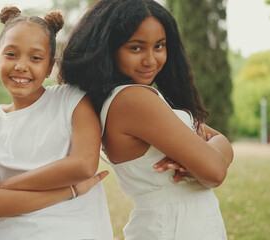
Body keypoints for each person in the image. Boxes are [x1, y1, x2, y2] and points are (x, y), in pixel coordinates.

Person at [61, 0, 234, 239]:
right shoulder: (133, 100)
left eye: (159, 46)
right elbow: (215, 171)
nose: (151, 60)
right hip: (173, 226)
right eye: (136, 48)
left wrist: (213, 149)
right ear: (109, 49)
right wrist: (210, 153)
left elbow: (219, 144)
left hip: (181, 223)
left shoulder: (137, 98)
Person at [0, 6, 113, 240]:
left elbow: (83, 165)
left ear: (50, 66)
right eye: (11, 54)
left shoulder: (71, 99)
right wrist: (70, 190)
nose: (21, 66)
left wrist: (5, 187)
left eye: (35, 58)